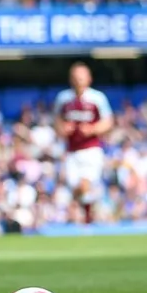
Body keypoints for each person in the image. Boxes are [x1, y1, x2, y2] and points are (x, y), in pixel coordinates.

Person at [53, 62, 114, 224]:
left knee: (84, 184)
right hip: (71, 151)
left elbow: (108, 121)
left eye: (81, 77)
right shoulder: (63, 99)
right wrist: (62, 128)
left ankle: (88, 214)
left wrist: (92, 129)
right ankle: (88, 212)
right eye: (75, 78)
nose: (78, 81)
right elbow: (57, 120)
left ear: (89, 79)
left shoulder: (97, 98)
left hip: (91, 150)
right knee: (76, 189)